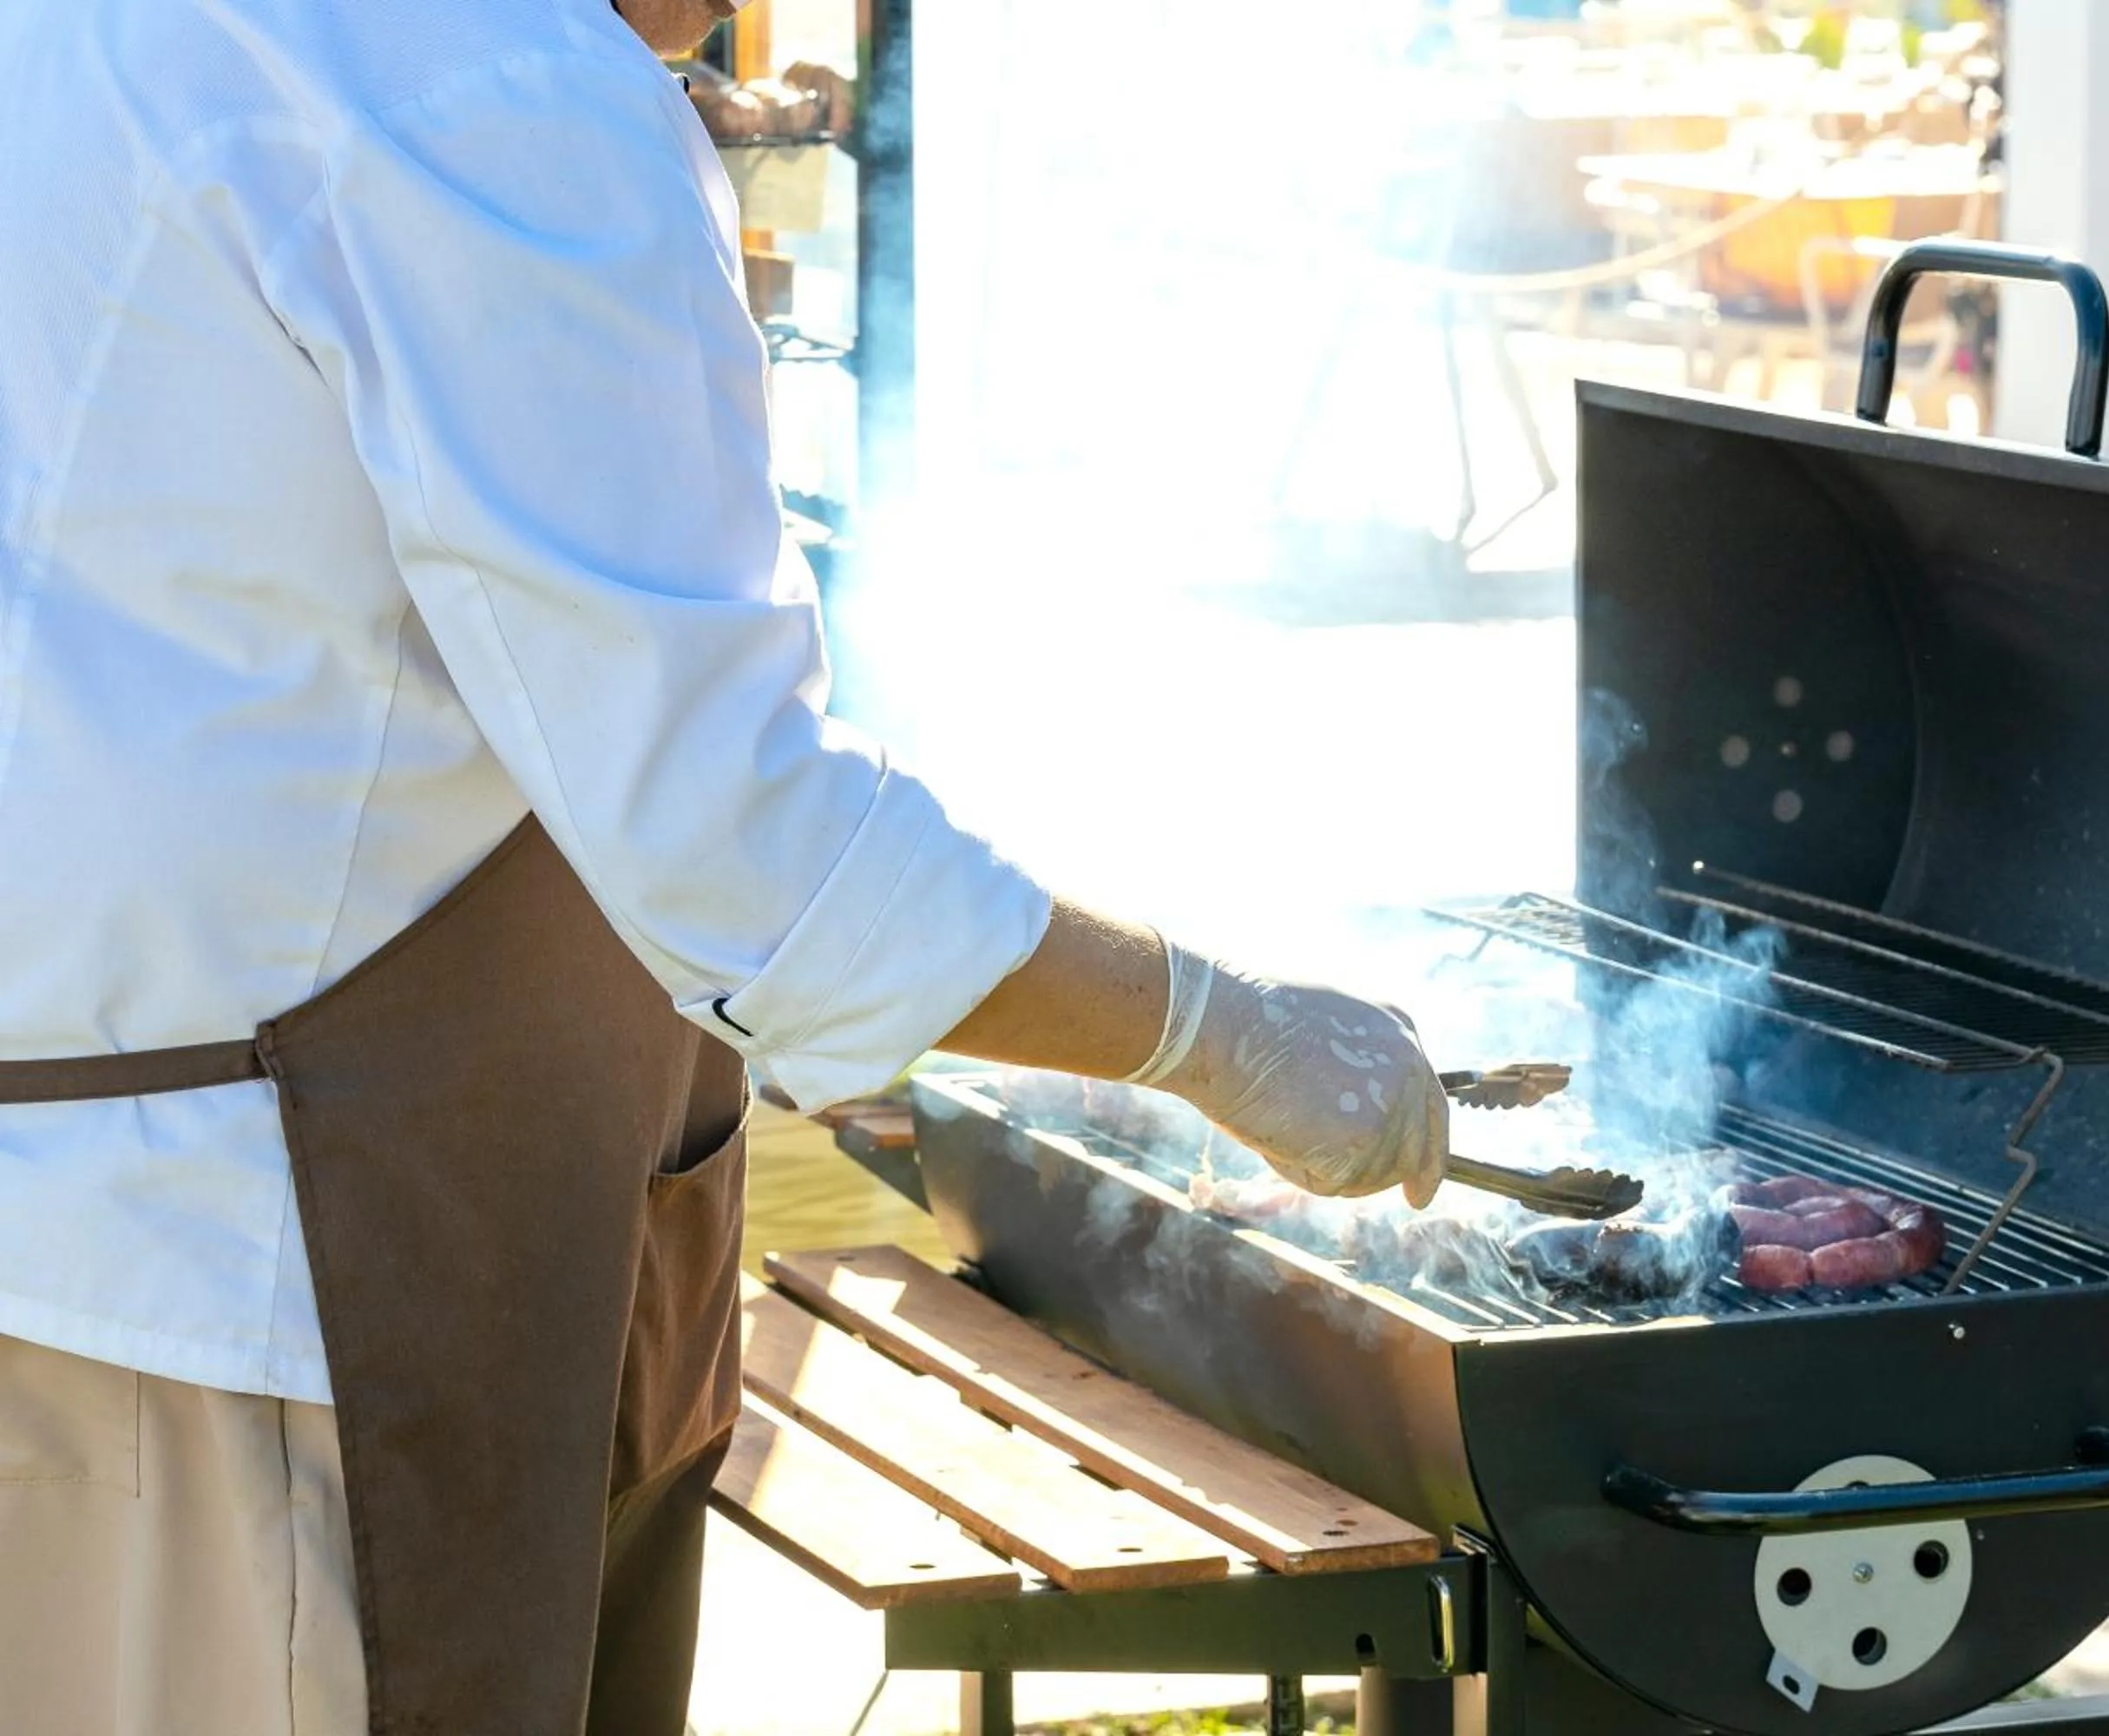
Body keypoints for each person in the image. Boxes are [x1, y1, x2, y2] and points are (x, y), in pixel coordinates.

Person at [0, 2, 1447, 1732]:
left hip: (86, 1228)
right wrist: (1224, 1035)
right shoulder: (501, 83)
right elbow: (749, 840)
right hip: (256, 1310)